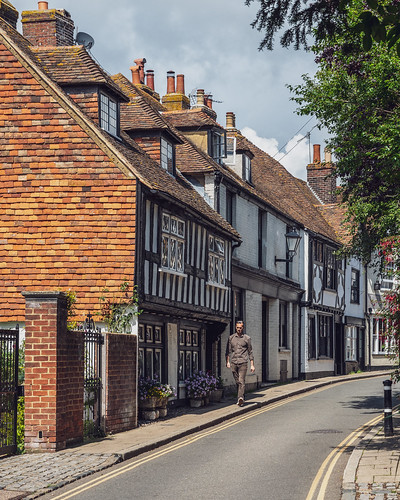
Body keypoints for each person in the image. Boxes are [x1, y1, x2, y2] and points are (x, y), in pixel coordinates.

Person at [226, 320, 255, 406]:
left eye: (240, 328)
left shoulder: (247, 338)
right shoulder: (231, 338)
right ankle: (241, 395)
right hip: (234, 363)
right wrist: (227, 362)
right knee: (238, 382)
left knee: (241, 380)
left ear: (243, 328)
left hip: (243, 362)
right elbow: (228, 351)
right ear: (236, 327)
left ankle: (240, 398)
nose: (239, 329)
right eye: (237, 328)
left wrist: (252, 365)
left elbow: (250, 352)